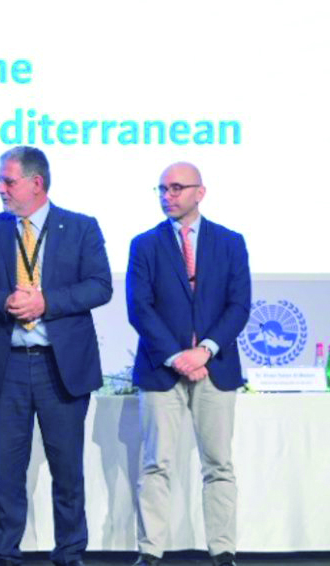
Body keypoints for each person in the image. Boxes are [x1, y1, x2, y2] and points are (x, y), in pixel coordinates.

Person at [0, 146, 112, 566]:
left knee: (67, 470)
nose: (0, 188)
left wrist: (46, 302)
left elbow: (100, 286)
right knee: (6, 471)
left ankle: (69, 553)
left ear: (36, 183)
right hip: (6, 366)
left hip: (60, 368)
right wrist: (4, 300)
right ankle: (5, 556)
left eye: (8, 181)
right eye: (1, 180)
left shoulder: (80, 227)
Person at [126, 163, 249, 566]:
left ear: (201, 192)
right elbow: (139, 309)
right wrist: (178, 356)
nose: (168, 196)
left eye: (177, 188)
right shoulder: (144, 244)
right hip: (163, 370)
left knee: (218, 465)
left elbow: (239, 306)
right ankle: (150, 552)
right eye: (162, 188)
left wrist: (206, 350)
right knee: (155, 463)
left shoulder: (230, 242)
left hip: (216, 367)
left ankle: (224, 551)